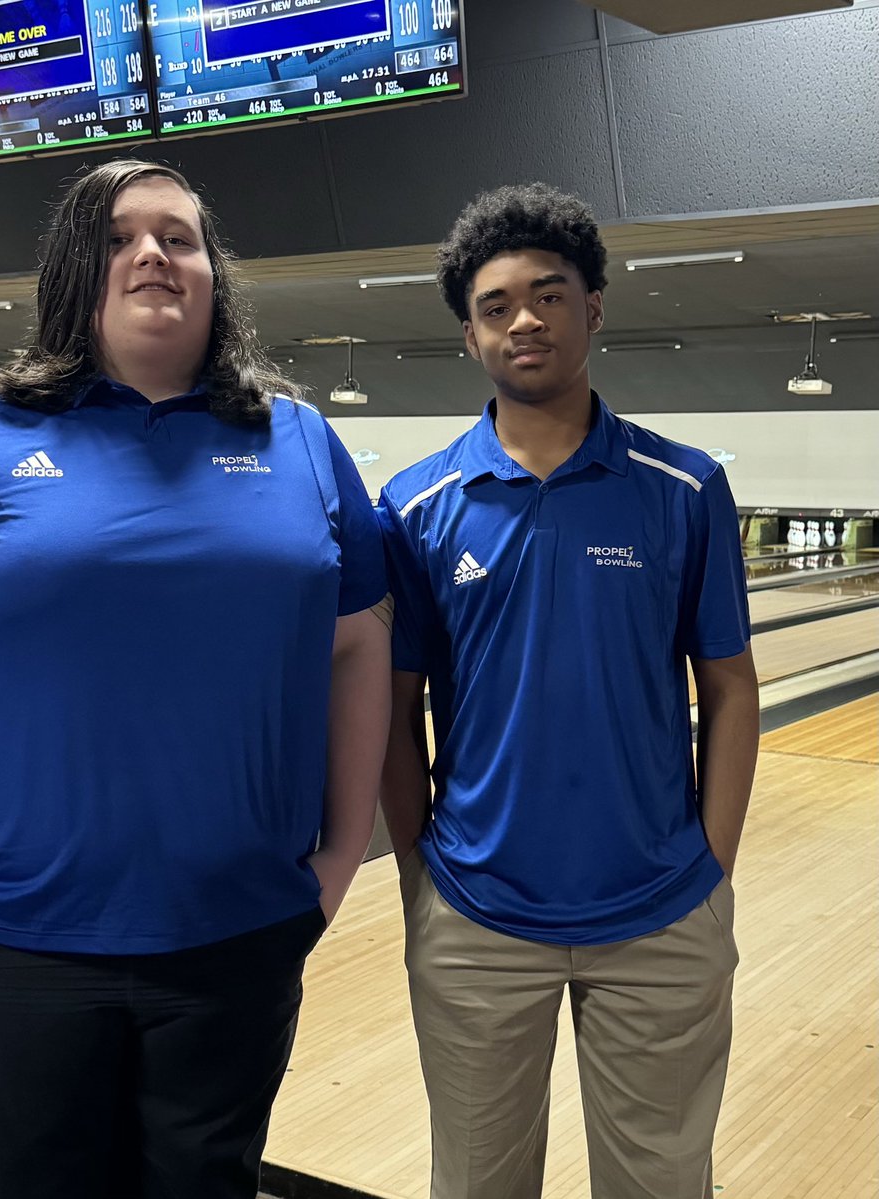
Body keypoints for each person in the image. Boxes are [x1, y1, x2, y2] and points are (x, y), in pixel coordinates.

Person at [0, 159, 391, 1199]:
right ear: (73, 269)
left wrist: (331, 867)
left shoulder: (300, 442)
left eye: (180, 236)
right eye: (118, 236)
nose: (153, 252)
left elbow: (357, 647)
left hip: (234, 943)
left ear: (214, 274)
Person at [377, 183, 759, 1198]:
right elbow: (390, 712)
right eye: (496, 305)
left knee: (664, 1184)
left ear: (596, 306)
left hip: (662, 908)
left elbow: (729, 684)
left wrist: (711, 865)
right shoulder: (414, 506)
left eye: (549, 294)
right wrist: (423, 870)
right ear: (469, 334)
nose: (525, 319)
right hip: (475, 909)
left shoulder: (683, 488)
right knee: (476, 1182)